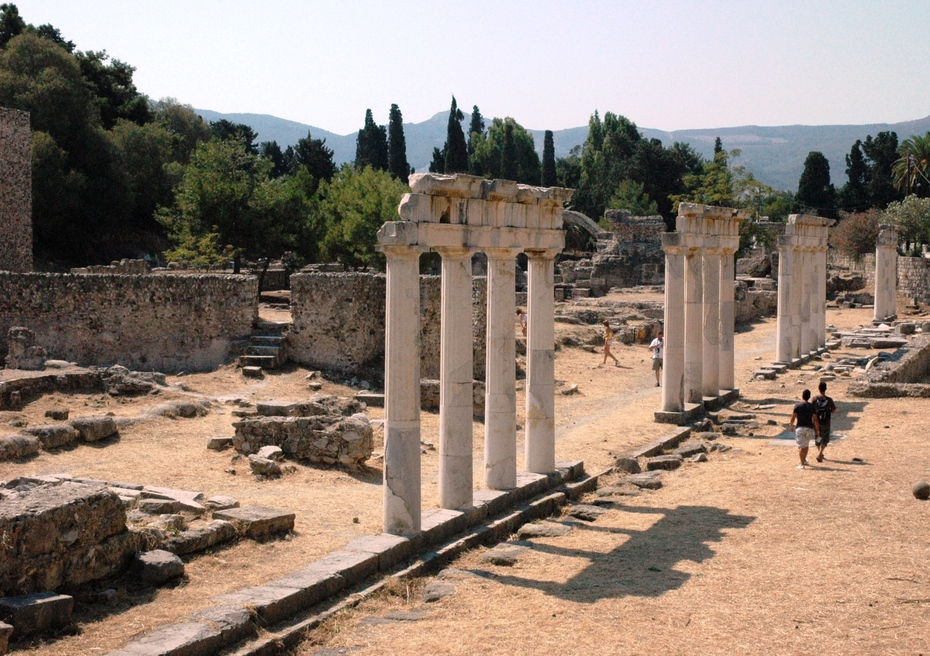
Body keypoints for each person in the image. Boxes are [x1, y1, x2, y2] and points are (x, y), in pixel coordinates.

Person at [789, 389, 820, 469]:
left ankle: (802, 464)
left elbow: (793, 417)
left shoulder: (797, 406)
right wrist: (817, 430)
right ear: (809, 397)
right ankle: (804, 459)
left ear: (802, 396)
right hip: (809, 428)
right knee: (806, 445)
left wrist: (791, 425)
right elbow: (815, 419)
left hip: (800, 427)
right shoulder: (812, 407)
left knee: (801, 446)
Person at [813, 381, 837, 462]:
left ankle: (819, 452)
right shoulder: (829, 400)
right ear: (825, 389)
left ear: (818, 389)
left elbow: (812, 410)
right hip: (826, 421)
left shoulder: (814, 399)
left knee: (818, 437)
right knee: (825, 438)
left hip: (816, 421)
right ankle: (820, 453)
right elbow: (833, 410)